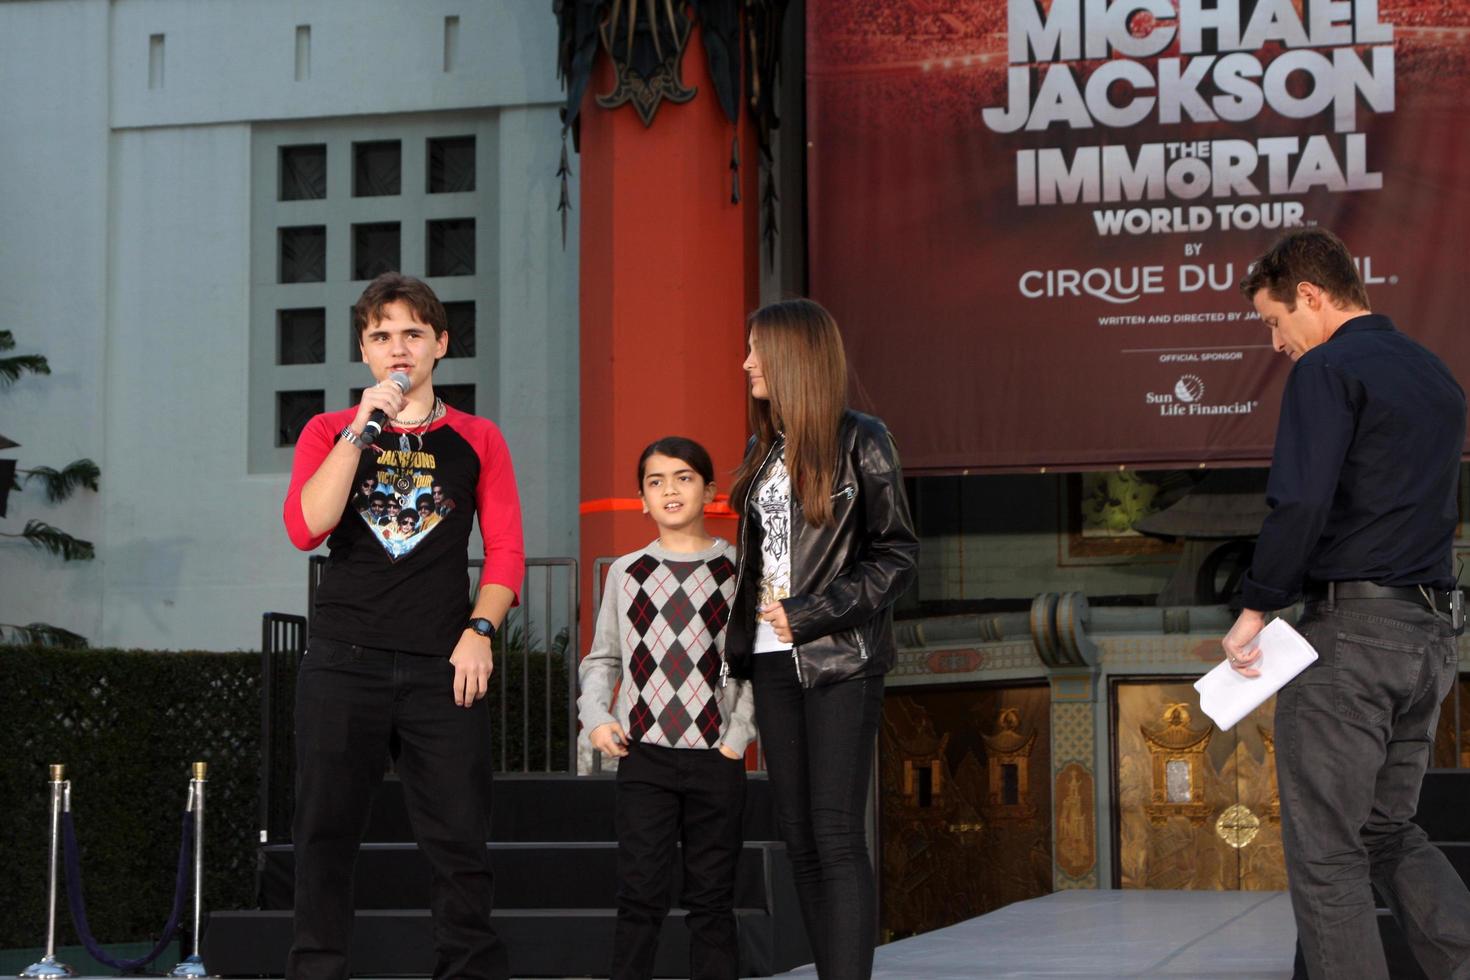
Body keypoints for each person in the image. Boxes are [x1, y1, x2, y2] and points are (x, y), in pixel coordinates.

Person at [1220, 228, 1470, 980]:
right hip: (1429, 640)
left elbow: (1301, 501)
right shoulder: (1436, 375)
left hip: (1353, 641)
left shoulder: (1328, 368)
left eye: (1274, 322)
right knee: (1386, 831)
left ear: (1311, 295)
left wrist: (1256, 608)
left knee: (1329, 855)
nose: (1277, 342)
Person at [281, 271, 524, 980]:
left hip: (438, 667)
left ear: (440, 344)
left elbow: (505, 550)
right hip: (342, 659)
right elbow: (306, 526)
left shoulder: (478, 437)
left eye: (413, 333)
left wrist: (479, 632)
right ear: (364, 350)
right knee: (324, 837)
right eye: (382, 335)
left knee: (459, 844)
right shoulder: (330, 430)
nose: (398, 348)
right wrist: (362, 429)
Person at [724, 298, 919, 979]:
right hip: (773, 665)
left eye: (758, 349)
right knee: (799, 837)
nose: (746, 362)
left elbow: (896, 555)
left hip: (840, 662)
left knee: (835, 834)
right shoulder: (762, 448)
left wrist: (812, 612)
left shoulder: (864, 440)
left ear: (796, 357)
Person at [578, 436, 757, 980]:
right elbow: (601, 658)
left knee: (712, 901)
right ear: (642, 499)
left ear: (709, 490)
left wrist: (737, 739)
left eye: (683, 477)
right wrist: (597, 718)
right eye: (655, 482)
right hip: (644, 758)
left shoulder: (738, 572)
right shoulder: (626, 573)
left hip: (715, 758)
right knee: (639, 898)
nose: (669, 490)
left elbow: (755, 664)